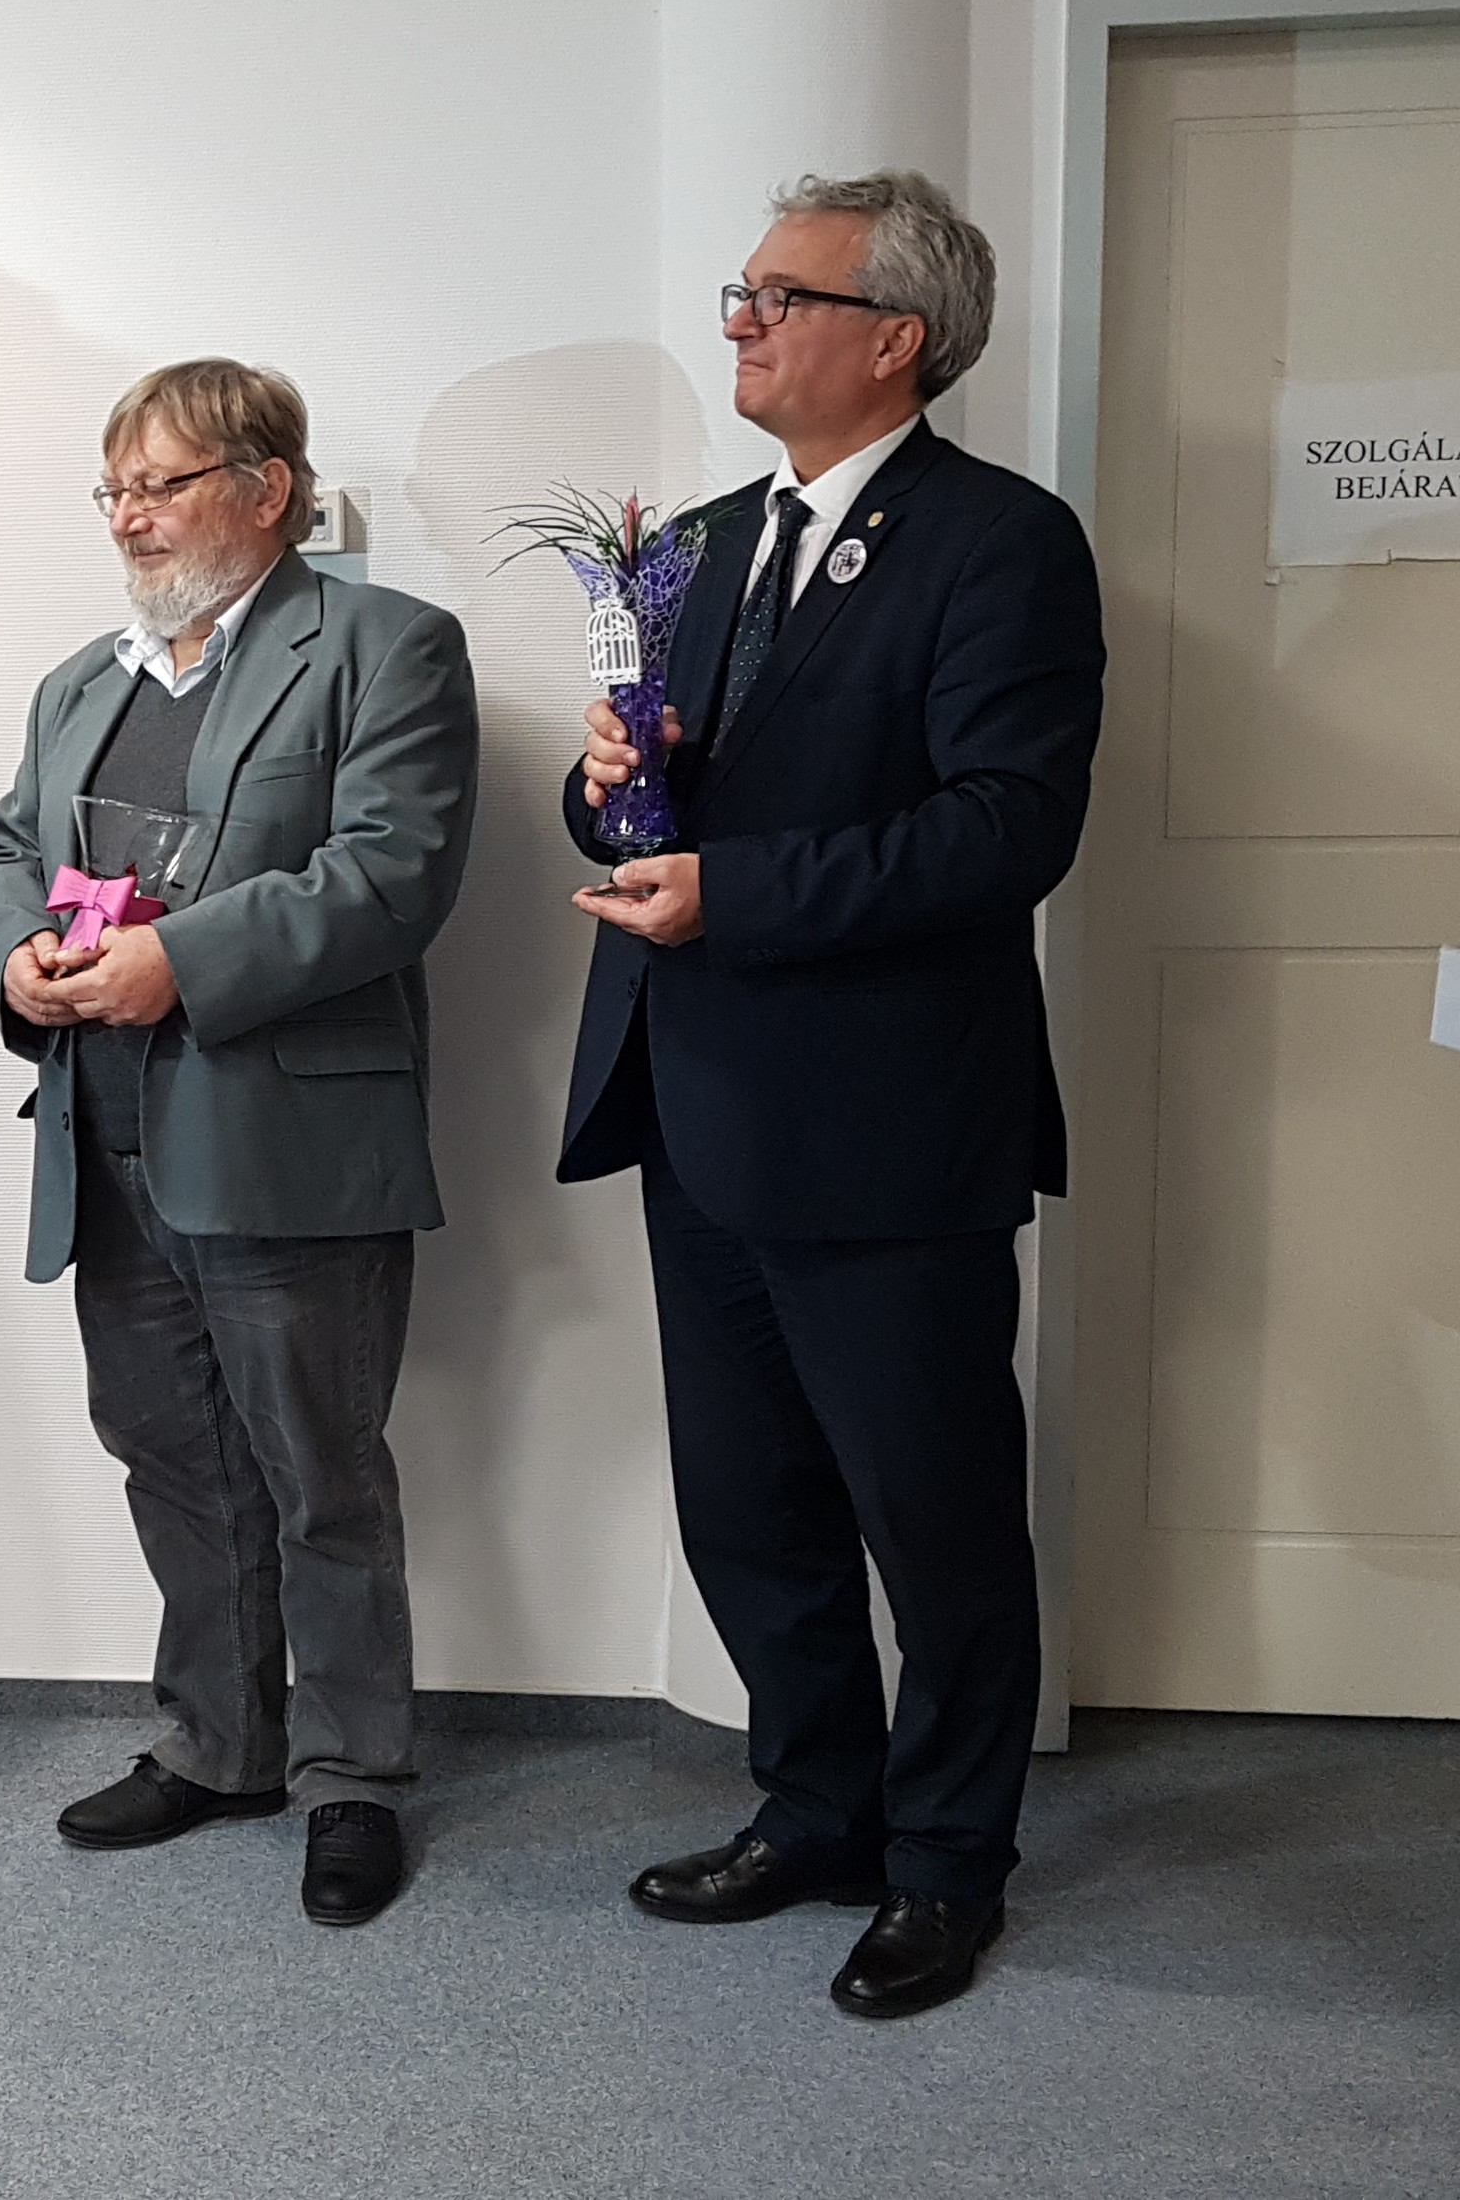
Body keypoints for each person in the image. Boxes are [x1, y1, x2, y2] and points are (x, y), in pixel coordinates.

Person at [560, 171, 1102, 2020]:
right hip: (696, 1101)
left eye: (780, 296)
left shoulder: (1002, 544)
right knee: (748, 1508)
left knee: (935, 1523)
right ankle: (817, 1810)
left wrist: (733, 890)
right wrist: (610, 785)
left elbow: (1006, 829)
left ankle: (947, 1866)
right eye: (742, 290)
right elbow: (644, 809)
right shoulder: (705, 544)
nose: (741, 320)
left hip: (889, 1127)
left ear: (899, 340)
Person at [0, 359, 480, 1926]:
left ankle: (352, 1779)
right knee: (173, 1459)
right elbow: (4, 853)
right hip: (105, 1134)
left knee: (321, 1475)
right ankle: (220, 1744)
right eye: (115, 489)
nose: (131, 517)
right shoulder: (82, 682)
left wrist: (178, 963)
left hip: (285, 1139)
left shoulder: (387, 647)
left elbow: (390, 875)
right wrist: (15, 956)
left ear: (268, 490)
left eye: (163, 485)